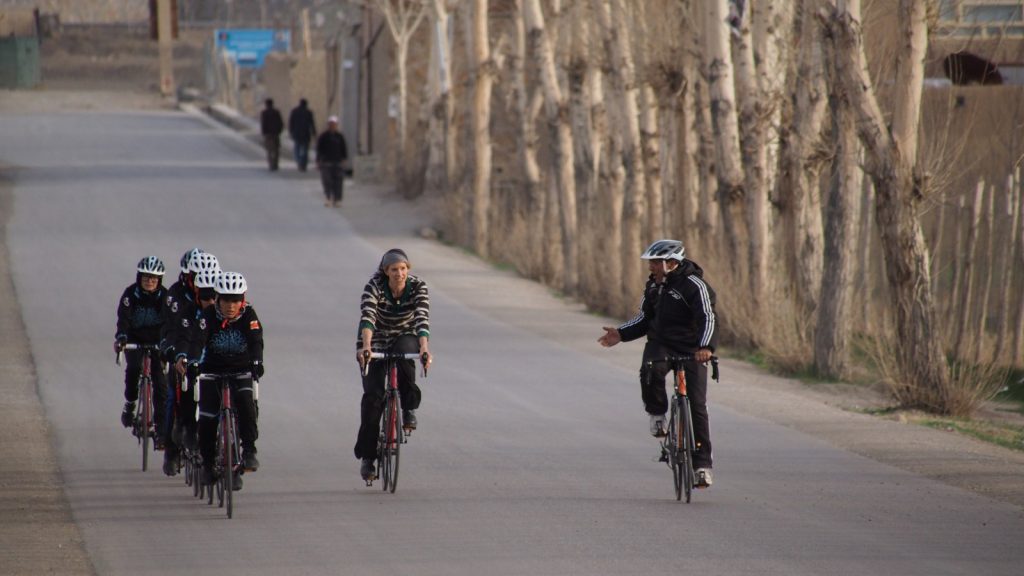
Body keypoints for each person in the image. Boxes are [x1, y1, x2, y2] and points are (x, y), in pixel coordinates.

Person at [597, 239, 718, 488]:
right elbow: (643, 318)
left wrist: (705, 347)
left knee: (697, 406)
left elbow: (708, 316)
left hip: (693, 349)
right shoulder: (654, 286)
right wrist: (620, 334)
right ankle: (657, 414)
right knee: (650, 369)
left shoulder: (695, 286)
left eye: (655, 262)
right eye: (650, 262)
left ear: (672, 263)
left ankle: (702, 466)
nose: (651, 267)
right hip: (660, 344)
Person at [354, 248, 432, 482]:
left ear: (408, 269)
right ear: (385, 272)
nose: (399, 273)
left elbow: (422, 318)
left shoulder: (418, 287)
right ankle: (368, 458)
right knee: (372, 398)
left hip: (404, 335)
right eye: (394, 270)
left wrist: (425, 348)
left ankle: (408, 408)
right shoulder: (374, 286)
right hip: (375, 338)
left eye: (403, 269)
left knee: (406, 356)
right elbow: (367, 316)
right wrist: (366, 346)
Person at [186, 271, 264, 490]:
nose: (231, 305)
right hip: (213, 370)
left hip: (241, 369)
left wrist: (257, 361)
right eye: (226, 300)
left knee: (247, 405)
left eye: (236, 300)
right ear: (218, 299)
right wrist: (193, 362)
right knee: (208, 418)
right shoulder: (208, 316)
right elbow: (197, 341)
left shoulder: (249, 315)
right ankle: (209, 464)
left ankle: (249, 450)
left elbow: (256, 340)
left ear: (243, 299)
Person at [159, 250, 219, 476]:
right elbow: (170, 327)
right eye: (196, 276)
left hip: (209, 354)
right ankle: (171, 449)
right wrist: (172, 350)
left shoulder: (216, 295)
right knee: (174, 394)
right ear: (187, 275)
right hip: (180, 347)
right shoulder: (176, 294)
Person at [115, 256, 169, 447]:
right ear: (139, 277)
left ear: (159, 280)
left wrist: (166, 344)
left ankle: (162, 429)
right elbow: (123, 318)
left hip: (156, 343)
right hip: (135, 340)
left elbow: (169, 323)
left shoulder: (165, 297)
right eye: (146, 278)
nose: (150, 282)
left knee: (161, 384)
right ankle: (130, 404)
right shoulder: (130, 294)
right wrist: (121, 337)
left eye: (154, 279)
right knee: (133, 369)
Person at [315, 115, 348, 207]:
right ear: (328, 125)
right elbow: (319, 149)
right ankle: (328, 198)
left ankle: (337, 199)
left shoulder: (339, 137)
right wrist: (318, 161)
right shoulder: (323, 136)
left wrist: (344, 159)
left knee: (338, 182)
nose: (333, 125)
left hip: (337, 162)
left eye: (334, 124)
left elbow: (343, 149)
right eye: (331, 124)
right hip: (326, 163)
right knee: (327, 181)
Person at [288, 98, 317, 171]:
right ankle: (303, 164)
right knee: (305, 150)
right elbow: (312, 124)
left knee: (297, 149)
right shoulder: (308, 112)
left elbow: (291, 123)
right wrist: (314, 133)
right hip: (306, 134)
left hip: (297, 134)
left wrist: (291, 132)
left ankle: (299, 162)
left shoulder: (294, 111)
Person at [260, 98, 284, 171]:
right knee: (276, 149)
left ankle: (271, 164)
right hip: (275, 133)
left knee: (269, 150)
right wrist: (279, 131)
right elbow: (280, 122)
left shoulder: (264, 113)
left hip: (268, 134)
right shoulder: (276, 112)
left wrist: (263, 132)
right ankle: (275, 164)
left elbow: (263, 123)